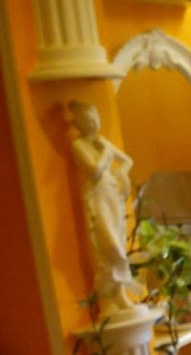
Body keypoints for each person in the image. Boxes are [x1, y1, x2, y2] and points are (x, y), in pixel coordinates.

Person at [68, 100, 142, 318]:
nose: (93, 122)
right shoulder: (79, 145)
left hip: (112, 194)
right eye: (87, 119)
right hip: (97, 196)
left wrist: (120, 173)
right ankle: (107, 298)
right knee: (107, 246)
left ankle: (120, 294)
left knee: (118, 241)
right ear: (78, 123)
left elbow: (127, 161)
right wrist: (106, 153)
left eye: (95, 117)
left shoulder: (101, 141)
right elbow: (94, 170)